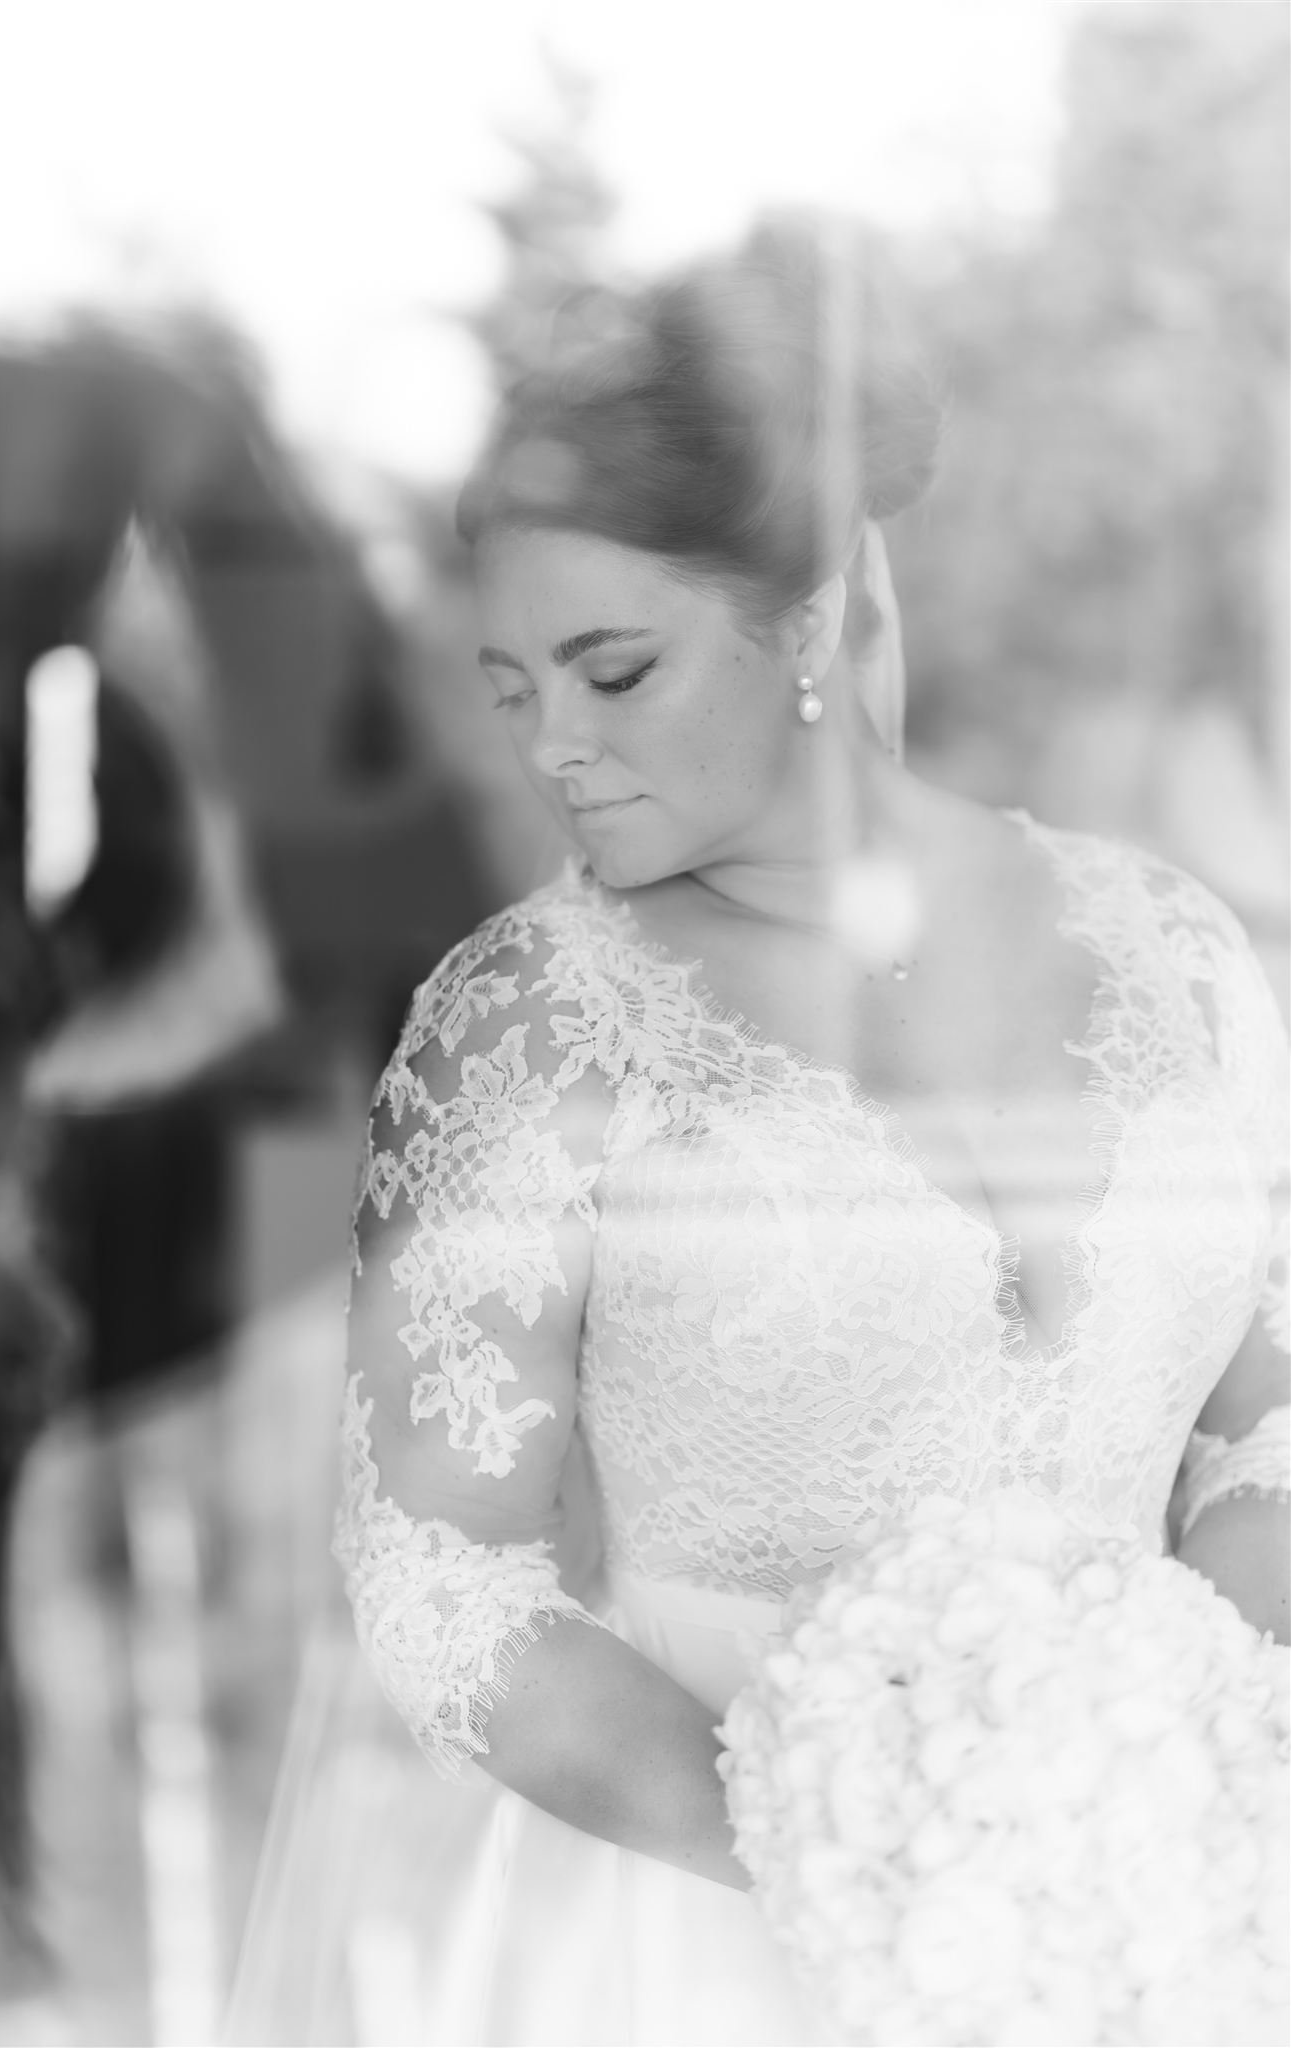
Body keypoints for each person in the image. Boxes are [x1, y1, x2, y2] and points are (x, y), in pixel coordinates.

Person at [229, 221, 1289, 2047]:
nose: (549, 744)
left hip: (1175, 1922)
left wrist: (1161, 1799)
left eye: (611, 670)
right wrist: (857, 1861)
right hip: (696, 1934)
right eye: (509, 688)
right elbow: (436, 1577)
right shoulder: (524, 1023)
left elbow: (1265, 1420)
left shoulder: (1171, 948)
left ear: (803, 621)